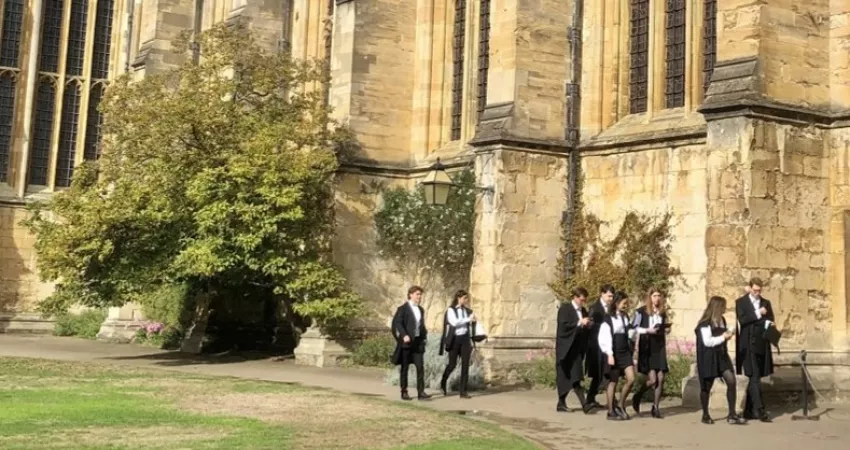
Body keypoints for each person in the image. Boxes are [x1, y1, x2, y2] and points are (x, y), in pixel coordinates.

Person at [695, 296, 747, 425]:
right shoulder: (704, 324)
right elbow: (708, 342)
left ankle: (732, 414)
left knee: (731, 380)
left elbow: (721, 336)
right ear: (717, 307)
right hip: (708, 357)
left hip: (721, 356)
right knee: (706, 387)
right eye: (723, 306)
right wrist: (724, 337)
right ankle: (705, 414)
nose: (725, 309)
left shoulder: (721, 320)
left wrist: (728, 334)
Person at [735, 278, 776, 422]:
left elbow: (771, 319)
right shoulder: (741, 302)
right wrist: (759, 313)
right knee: (754, 375)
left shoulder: (766, 303)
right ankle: (760, 410)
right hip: (747, 345)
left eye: (759, 291)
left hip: (761, 344)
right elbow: (743, 320)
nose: (757, 293)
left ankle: (748, 410)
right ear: (750, 288)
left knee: (755, 377)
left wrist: (769, 323)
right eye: (755, 290)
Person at [631, 287, 670, 418]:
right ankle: (638, 395)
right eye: (654, 295)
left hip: (659, 346)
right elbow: (634, 328)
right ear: (649, 297)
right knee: (653, 379)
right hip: (647, 345)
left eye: (659, 295)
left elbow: (664, 326)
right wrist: (648, 330)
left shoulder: (663, 312)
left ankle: (656, 407)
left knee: (661, 377)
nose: (657, 298)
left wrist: (665, 330)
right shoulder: (641, 311)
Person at [598, 291, 636, 420]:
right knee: (612, 382)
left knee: (631, 378)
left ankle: (620, 404)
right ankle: (610, 411)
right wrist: (609, 354)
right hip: (613, 351)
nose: (626, 305)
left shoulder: (625, 317)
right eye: (624, 303)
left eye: (627, 303)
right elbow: (604, 337)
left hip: (625, 351)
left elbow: (629, 332)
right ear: (617, 303)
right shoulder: (608, 318)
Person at [555, 287, 593, 413]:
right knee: (564, 376)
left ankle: (583, 405)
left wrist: (588, 324)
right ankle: (566, 403)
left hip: (576, 349)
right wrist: (579, 323)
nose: (583, 302)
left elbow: (585, 328)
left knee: (576, 376)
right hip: (566, 349)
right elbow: (563, 327)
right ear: (575, 297)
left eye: (584, 300)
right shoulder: (565, 309)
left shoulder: (583, 310)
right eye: (581, 299)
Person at [391, 285, 432, 401]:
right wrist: (404, 335)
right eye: (417, 294)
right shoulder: (403, 309)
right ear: (410, 295)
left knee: (420, 367)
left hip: (417, 343)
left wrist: (424, 335)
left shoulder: (420, 309)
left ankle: (421, 392)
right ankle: (404, 391)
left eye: (420, 295)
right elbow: (398, 323)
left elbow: (420, 325)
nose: (419, 297)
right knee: (405, 368)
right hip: (407, 343)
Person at [439, 289, 476, 398]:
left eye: (467, 298)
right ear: (458, 298)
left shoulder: (467, 311)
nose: (466, 300)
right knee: (452, 364)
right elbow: (454, 322)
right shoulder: (451, 310)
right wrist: (468, 319)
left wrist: (473, 321)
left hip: (465, 339)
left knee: (465, 365)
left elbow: (471, 322)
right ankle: (443, 381)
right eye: (464, 298)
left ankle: (463, 391)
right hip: (454, 339)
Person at [585, 284, 615, 409]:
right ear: (602, 294)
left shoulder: (611, 308)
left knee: (606, 372)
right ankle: (592, 398)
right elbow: (590, 327)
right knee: (599, 373)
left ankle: (594, 397)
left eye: (612, 296)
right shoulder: (594, 308)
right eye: (609, 296)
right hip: (596, 346)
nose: (611, 298)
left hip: (607, 345)